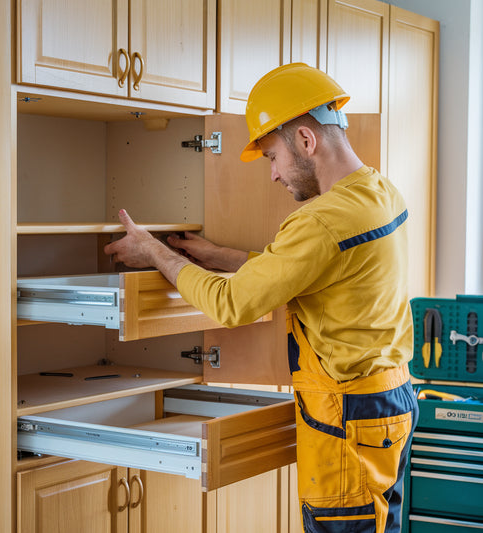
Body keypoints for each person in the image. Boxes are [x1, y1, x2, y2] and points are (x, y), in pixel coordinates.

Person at [104, 63, 418, 533]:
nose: (273, 175)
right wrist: (219, 256)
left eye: (272, 156)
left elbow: (233, 306)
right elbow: (315, 268)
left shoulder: (321, 220)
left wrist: (153, 251)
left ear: (307, 141)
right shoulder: (377, 190)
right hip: (386, 401)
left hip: (346, 415)